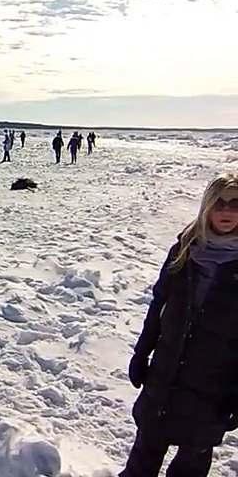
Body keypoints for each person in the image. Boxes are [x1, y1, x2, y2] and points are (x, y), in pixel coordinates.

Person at [120, 174, 238, 477]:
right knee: (142, 461)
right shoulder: (186, 248)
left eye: (236, 204)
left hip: (214, 387)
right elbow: (159, 302)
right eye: (219, 203)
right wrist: (141, 353)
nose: (227, 212)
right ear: (207, 207)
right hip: (166, 375)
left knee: (191, 465)